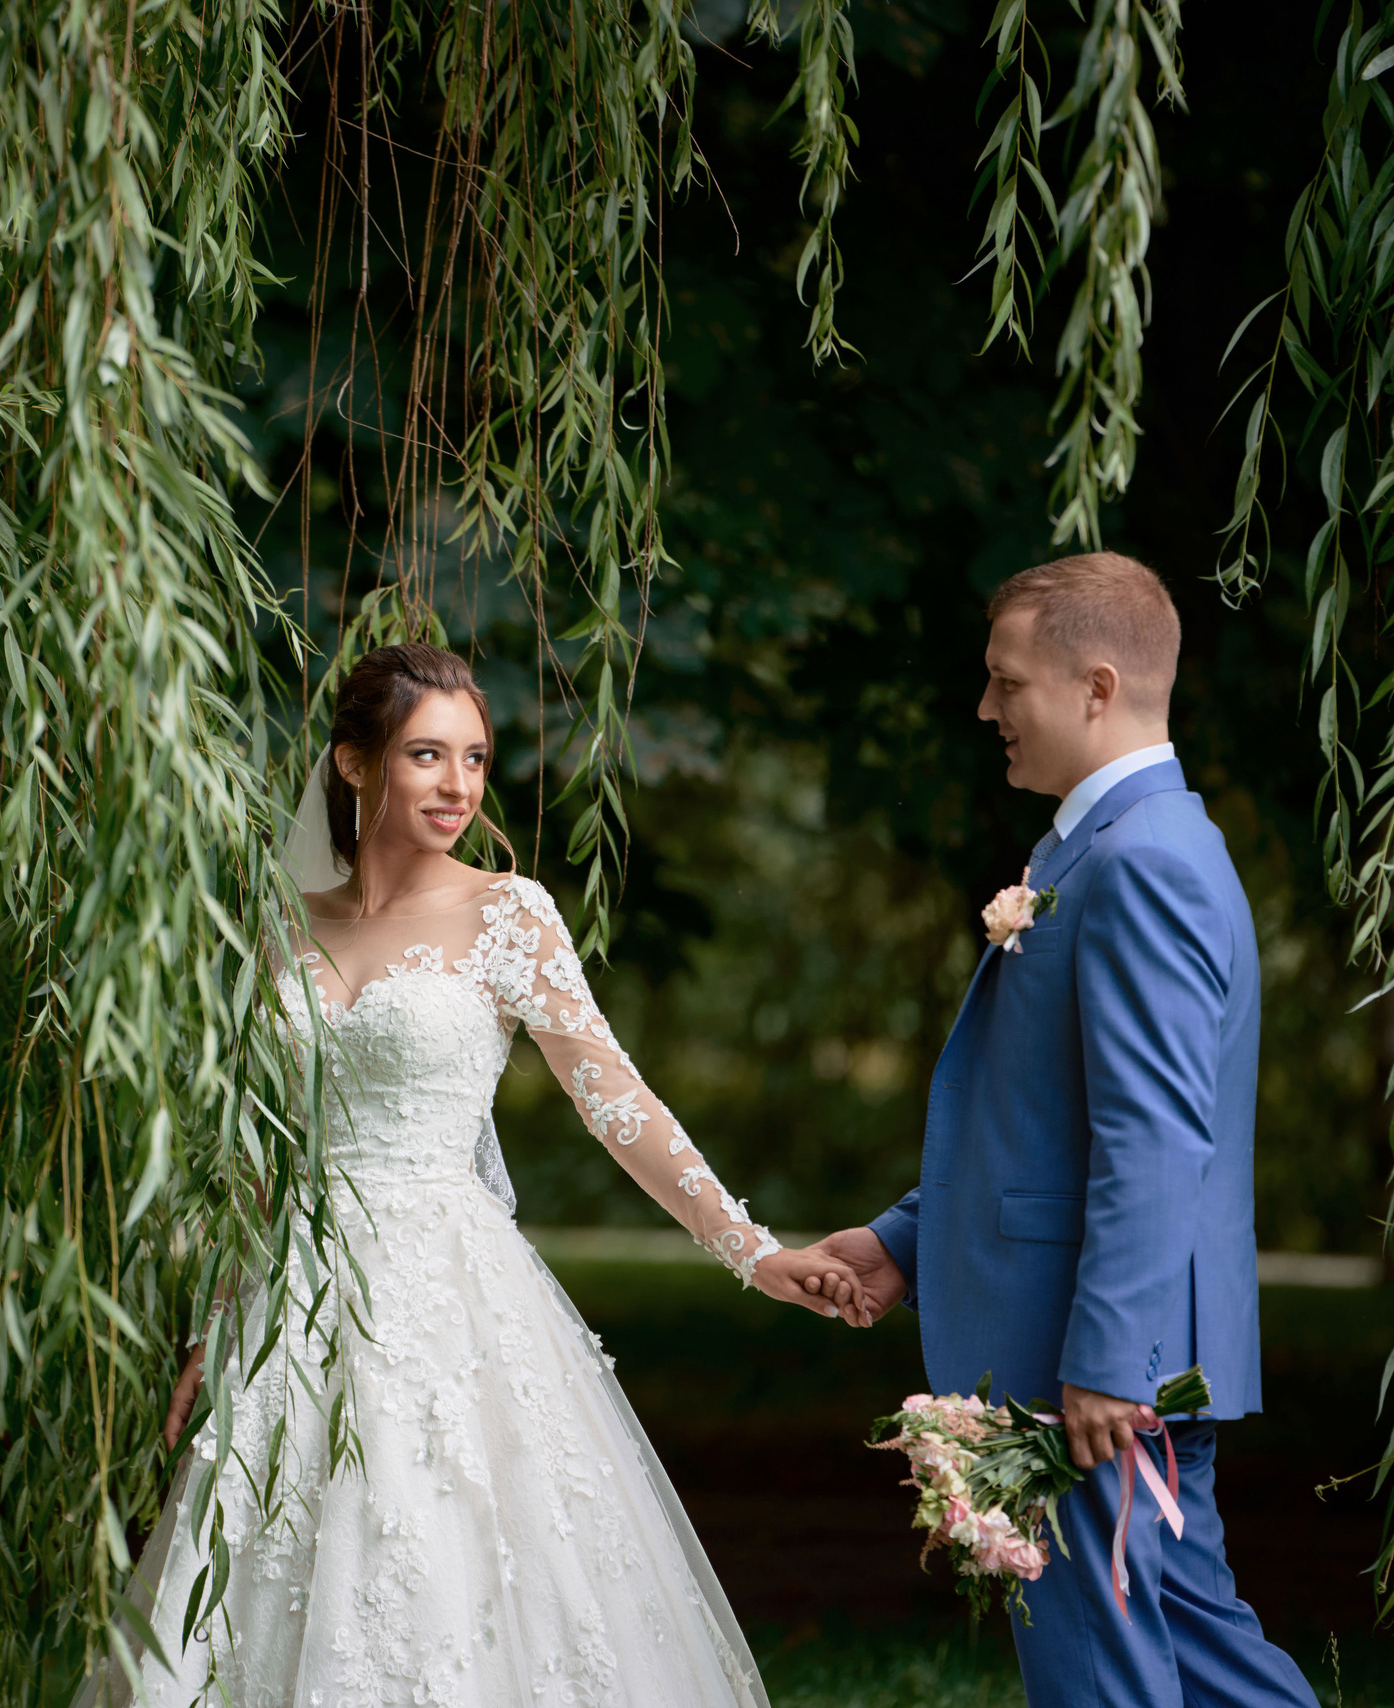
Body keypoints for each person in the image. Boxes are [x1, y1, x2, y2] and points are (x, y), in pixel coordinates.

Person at [86, 642, 868, 1708]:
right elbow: (260, 1149)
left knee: (443, 1552)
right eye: (425, 754)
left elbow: (615, 1099)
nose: (458, 784)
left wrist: (753, 1250)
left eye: (475, 757)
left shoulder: (510, 913)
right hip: (294, 1293)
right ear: (354, 764)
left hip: (444, 1286)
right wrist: (214, 1328)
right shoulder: (279, 926)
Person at [802, 553, 1317, 1708]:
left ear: (1094, 685)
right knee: (1197, 1660)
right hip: (1089, 1346)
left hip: (1087, 1361)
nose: (984, 709)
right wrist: (900, 1241)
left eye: (1004, 682)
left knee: (1106, 1678)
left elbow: (1151, 1137)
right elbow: (1046, 1124)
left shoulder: (1141, 863)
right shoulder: (1100, 851)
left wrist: (1108, 1361)